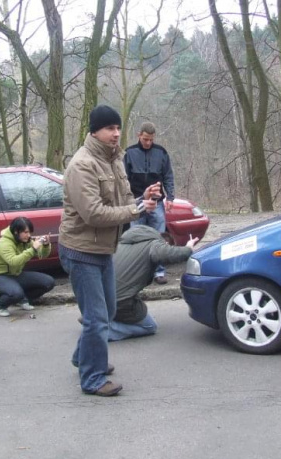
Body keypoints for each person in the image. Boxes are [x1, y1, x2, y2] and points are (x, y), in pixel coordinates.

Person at [59, 104, 160, 397]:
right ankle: (92, 378)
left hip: (103, 248)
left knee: (109, 310)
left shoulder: (115, 159)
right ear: (94, 131)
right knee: (97, 317)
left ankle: (83, 357)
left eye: (118, 128)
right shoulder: (82, 165)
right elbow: (93, 213)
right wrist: (134, 209)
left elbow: (125, 199)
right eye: (109, 129)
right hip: (80, 250)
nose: (116, 134)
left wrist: (143, 200)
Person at [109, 225, 198, 341]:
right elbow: (170, 254)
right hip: (120, 300)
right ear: (165, 242)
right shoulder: (153, 245)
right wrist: (188, 249)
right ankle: (103, 331)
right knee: (150, 326)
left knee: (136, 304)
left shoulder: (121, 244)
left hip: (100, 297)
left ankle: (96, 318)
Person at [124, 122, 175, 285]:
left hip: (157, 202)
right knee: (137, 238)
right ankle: (138, 273)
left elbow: (168, 175)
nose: (148, 143)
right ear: (139, 135)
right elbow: (123, 179)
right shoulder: (129, 153)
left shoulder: (161, 152)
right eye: (145, 139)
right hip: (136, 202)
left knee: (159, 238)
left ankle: (159, 272)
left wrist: (171, 197)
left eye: (151, 140)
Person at [0, 217, 55, 317]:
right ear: (16, 232)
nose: (28, 235)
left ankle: (22, 299)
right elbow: (14, 262)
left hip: (16, 274)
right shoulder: (4, 243)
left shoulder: (26, 240)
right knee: (15, 293)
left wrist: (45, 245)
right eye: (25, 232)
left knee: (48, 282)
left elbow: (41, 255)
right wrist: (33, 249)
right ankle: (1, 303)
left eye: (29, 232)